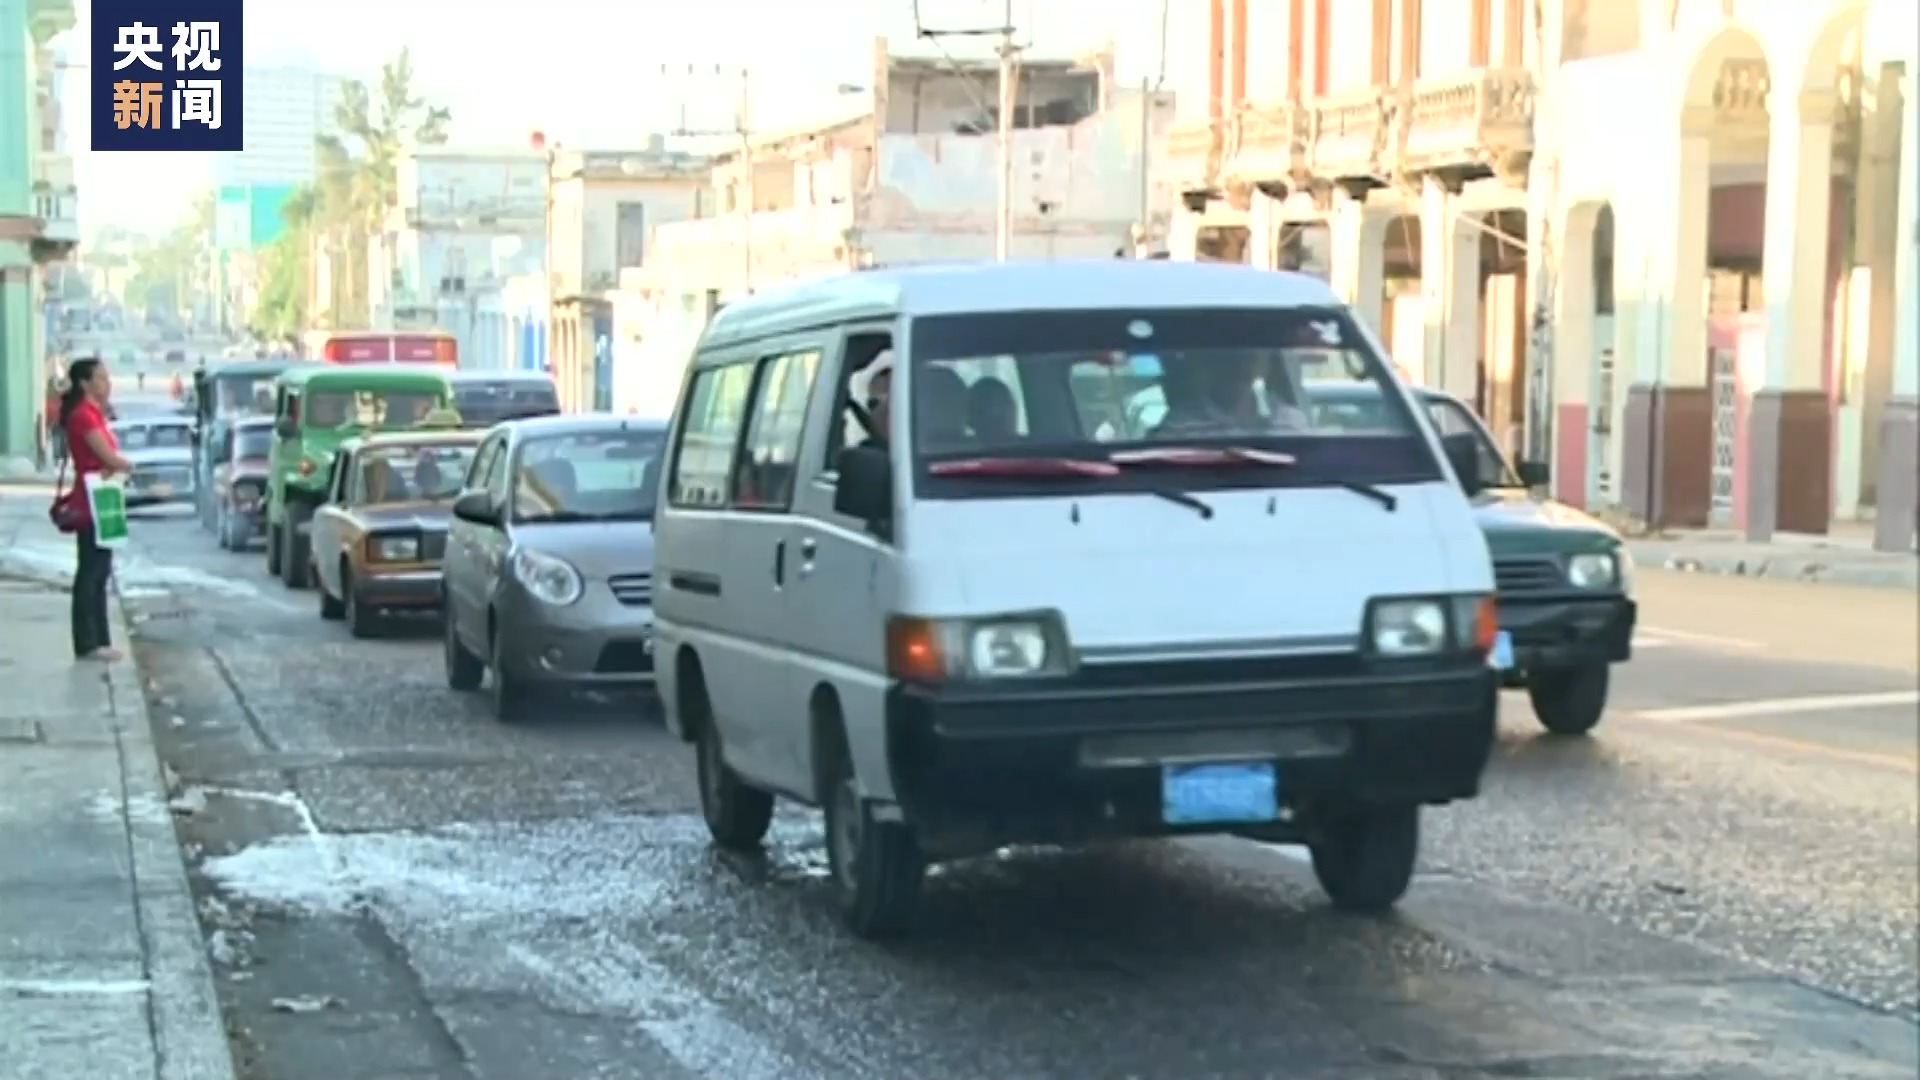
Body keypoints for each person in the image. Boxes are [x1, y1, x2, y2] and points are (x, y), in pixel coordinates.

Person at [59, 358, 135, 663]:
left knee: (101, 569)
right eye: (100, 378)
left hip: (104, 494)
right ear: (85, 383)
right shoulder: (83, 416)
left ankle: (100, 640)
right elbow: (108, 457)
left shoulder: (94, 413)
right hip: (92, 497)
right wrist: (127, 465)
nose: (107, 383)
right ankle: (88, 642)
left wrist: (116, 465)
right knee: (91, 569)